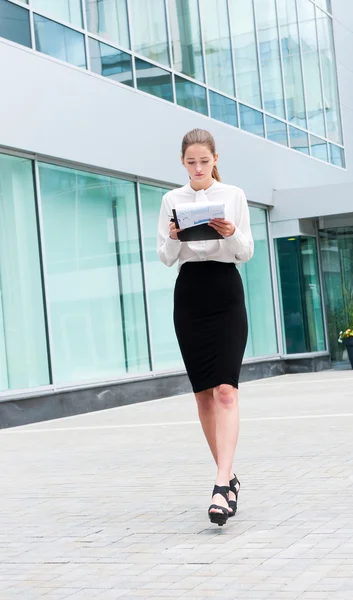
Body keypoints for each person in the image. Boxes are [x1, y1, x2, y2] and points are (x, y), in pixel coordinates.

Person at [157, 128, 254, 526]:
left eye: (204, 160)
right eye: (191, 161)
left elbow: (245, 252)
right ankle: (228, 477)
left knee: (226, 391)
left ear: (215, 159)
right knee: (203, 397)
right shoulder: (171, 200)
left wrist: (231, 234)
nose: (198, 168)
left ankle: (219, 485)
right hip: (190, 295)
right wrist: (176, 238)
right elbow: (165, 257)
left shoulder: (234, 195)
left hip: (225, 291)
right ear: (183, 162)